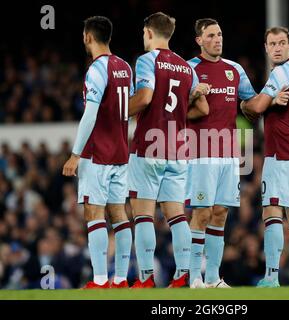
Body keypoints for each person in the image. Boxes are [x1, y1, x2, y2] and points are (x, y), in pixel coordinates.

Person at [127, 12, 209, 288]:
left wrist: (118, 112)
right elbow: (203, 109)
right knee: (176, 215)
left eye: (143, 33)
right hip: (178, 148)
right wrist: (179, 114)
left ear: (149, 32)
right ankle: (183, 274)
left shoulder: (147, 60)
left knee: (143, 214)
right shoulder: (188, 68)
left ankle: (146, 278)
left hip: (149, 146)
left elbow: (146, 96)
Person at [185, 18, 257, 289]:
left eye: (220, 34)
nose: (218, 39)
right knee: (201, 213)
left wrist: (273, 99)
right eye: (212, 35)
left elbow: (250, 100)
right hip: (201, 152)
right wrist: (193, 94)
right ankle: (194, 277)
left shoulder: (234, 69)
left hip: (229, 154)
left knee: (220, 213)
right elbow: (174, 105)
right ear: (199, 40)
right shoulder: (189, 68)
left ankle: (213, 278)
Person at [62, 16, 134, 289]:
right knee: (119, 214)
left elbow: (90, 114)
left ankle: (101, 280)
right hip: (120, 153)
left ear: (88, 37)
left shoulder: (96, 69)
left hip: (97, 154)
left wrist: (75, 154)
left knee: (94, 213)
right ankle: (121, 279)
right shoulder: (125, 67)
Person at [241, 27, 289, 288]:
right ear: (266, 47)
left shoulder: (281, 71)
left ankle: (271, 277)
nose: (278, 48)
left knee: (272, 212)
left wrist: (246, 105)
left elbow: (256, 107)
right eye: (273, 44)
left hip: (281, 154)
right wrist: (271, 103)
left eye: (282, 43)